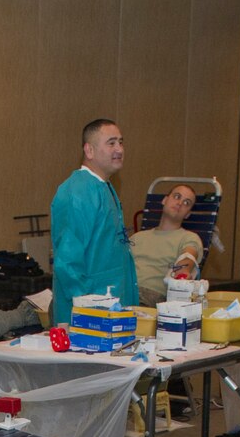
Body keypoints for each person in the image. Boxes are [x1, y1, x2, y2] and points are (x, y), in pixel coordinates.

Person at [49, 119, 137, 324]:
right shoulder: (78, 192)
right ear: (89, 150)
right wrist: (88, 310)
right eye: (111, 143)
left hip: (111, 308)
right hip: (90, 316)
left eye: (121, 142)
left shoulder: (103, 187)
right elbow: (68, 262)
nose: (119, 149)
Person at [131, 184, 205, 306]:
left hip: (151, 296)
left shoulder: (189, 238)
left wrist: (183, 270)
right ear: (165, 200)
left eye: (186, 203)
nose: (180, 203)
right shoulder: (137, 237)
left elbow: (188, 257)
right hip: (123, 291)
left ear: (187, 214)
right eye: (177, 196)